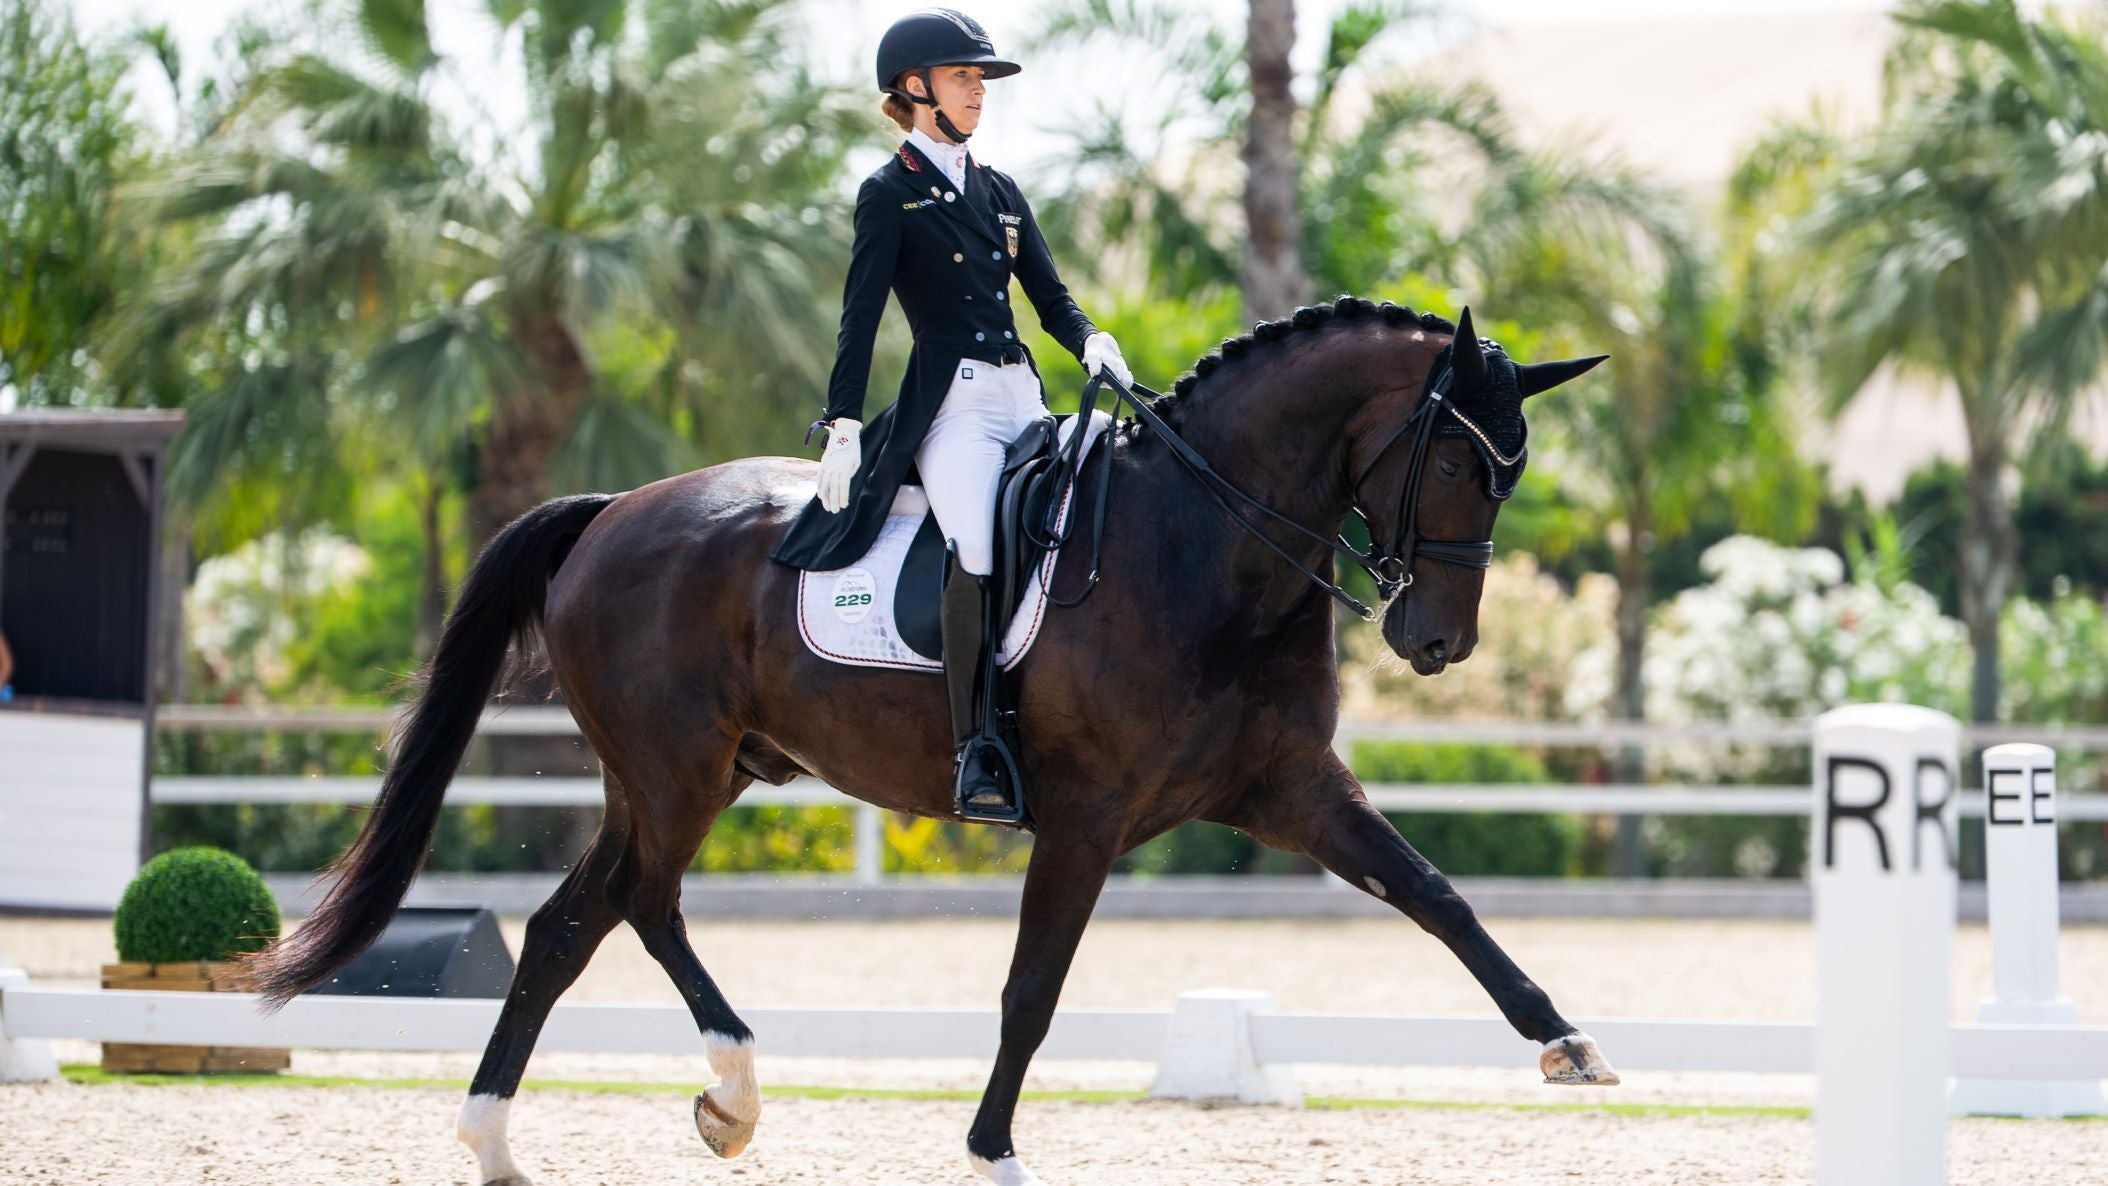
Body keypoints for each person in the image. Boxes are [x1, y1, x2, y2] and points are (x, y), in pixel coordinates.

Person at [769, 8, 1131, 821]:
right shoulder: (888, 194)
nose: (978, 93)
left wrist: (1090, 340)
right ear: (914, 87)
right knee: (974, 541)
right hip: (955, 406)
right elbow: (859, 318)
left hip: (1021, 392)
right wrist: (844, 422)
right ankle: (979, 747)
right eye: (964, 78)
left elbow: (1050, 297)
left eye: (980, 80)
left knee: (1112, 490)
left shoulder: (1000, 190)